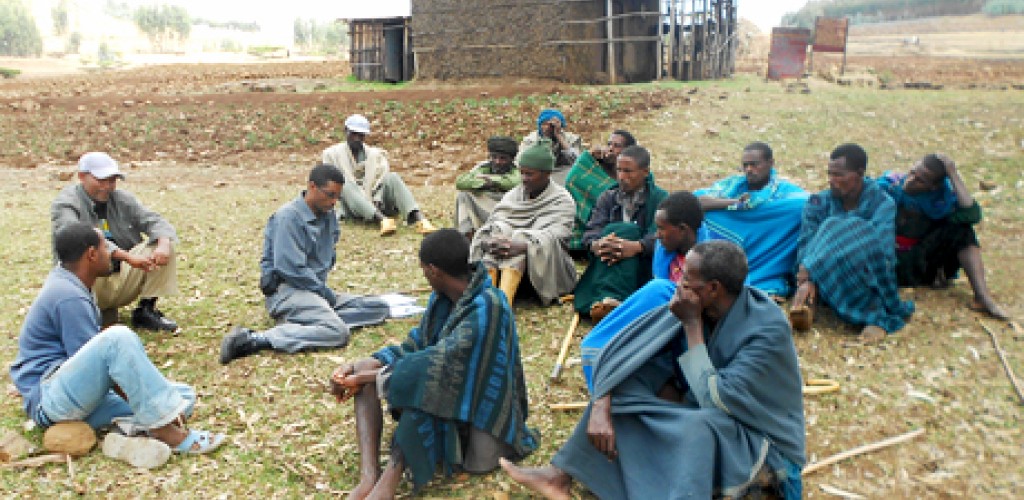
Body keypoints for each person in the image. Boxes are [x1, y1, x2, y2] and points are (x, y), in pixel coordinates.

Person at [501, 241, 806, 499]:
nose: (680, 286)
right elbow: (626, 355)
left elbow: (718, 400)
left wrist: (691, 326)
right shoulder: (695, 302)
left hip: (759, 438)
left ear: (713, 289)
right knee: (626, 389)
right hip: (700, 407)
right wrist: (601, 403)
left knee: (699, 427)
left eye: (687, 280)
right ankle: (559, 475)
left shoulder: (766, 330)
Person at [330, 229, 539, 499]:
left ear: (434, 270)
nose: (424, 276)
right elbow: (416, 346)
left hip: (481, 419)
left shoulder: (490, 305)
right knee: (365, 366)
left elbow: (442, 363)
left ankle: (387, 486)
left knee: (426, 387)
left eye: (424, 270)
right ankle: (368, 475)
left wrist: (369, 378)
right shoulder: (442, 300)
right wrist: (359, 368)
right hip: (450, 395)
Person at [10, 222, 226, 464]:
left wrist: (148, 398)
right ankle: (167, 434)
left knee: (182, 397)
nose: (111, 254)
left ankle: (127, 429)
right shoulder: (68, 296)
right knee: (118, 339)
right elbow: (104, 367)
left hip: (73, 393)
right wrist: (152, 407)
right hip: (51, 398)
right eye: (105, 248)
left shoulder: (72, 280)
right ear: (91, 255)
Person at [219, 163, 389, 365]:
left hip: (315, 290)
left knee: (379, 307)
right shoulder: (288, 218)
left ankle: (307, 322)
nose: (334, 202)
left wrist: (322, 293)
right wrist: (323, 292)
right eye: (330, 195)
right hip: (289, 290)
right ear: (312, 187)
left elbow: (327, 257)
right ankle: (255, 340)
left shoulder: (328, 216)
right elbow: (291, 269)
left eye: (337, 197)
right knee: (338, 333)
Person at [580, 191, 704, 390]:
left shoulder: (712, 258)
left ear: (682, 230)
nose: (657, 234)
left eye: (662, 229)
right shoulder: (665, 253)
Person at [792, 143, 914, 343]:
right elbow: (806, 242)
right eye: (829, 174)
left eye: (839, 175)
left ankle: (875, 317)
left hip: (864, 271)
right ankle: (808, 297)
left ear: (859, 173)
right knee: (815, 254)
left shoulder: (882, 203)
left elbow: (883, 251)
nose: (832, 181)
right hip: (819, 272)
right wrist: (808, 272)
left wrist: (843, 243)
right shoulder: (818, 202)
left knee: (842, 228)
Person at [51, 152, 178, 331]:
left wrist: (164, 244)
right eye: (101, 180)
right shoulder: (66, 203)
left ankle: (146, 310)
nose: (107, 186)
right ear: (82, 176)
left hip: (121, 274)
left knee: (161, 242)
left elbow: (154, 220)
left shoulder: (122, 199)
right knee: (86, 255)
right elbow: (80, 236)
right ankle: (90, 311)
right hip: (88, 282)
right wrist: (126, 257)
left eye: (112, 180)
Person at [877, 153, 1008, 320]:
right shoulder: (890, 185)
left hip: (921, 261)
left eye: (921, 180)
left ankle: (982, 296)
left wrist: (953, 174)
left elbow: (971, 213)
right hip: (889, 262)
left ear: (933, 187)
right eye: (912, 172)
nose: (911, 180)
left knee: (962, 231)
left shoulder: (940, 202)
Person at [469, 141, 577, 306]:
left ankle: (504, 306)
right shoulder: (514, 194)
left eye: (530, 174)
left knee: (520, 244)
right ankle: (486, 302)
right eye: (522, 173)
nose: (524, 179)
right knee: (499, 233)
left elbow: (558, 236)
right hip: (502, 261)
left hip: (546, 271)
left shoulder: (562, 200)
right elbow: (495, 221)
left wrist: (522, 245)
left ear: (547, 174)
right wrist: (490, 241)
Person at [696, 142, 808, 297]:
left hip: (763, 253)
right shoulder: (732, 186)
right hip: (727, 243)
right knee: (705, 215)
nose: (749, 170)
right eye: (745, 165)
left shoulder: (784, 192)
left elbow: (807, 203)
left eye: (754, 165)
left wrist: (758, 209)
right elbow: (697, 200)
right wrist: (735, 204)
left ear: (770, 163)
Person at [573, 145, 668, 321]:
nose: (622, 177)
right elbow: (591, 232)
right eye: (619, 170)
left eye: (628, 171)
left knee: (628, 231)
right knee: (614, 232)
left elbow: (663, 235)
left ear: (645, 172)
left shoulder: (660, 199)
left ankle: (612, 300)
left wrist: (637, 246)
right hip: (606, 260)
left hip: (641, 266)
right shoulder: (608, 196)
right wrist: (599, 245)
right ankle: (608, 301)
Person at [321, 114, 437, 236]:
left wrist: (377, 197)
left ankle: (419, 219)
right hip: (352, 206)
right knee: (344, 185)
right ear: (346, 131)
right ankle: (383, 220)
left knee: (393, 177)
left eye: (361, 135)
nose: (357, 138)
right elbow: (332, 187)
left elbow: (380, 179)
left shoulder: (374, 155)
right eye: (353, 133)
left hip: (377, 201)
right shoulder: (331, 154)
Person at [564, 130, 636, 253]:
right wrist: (587, 156)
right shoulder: (593, 167)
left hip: (623, 231)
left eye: (617, 146)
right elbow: (572, 181)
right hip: (589, 231)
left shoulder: (636, 174)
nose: (610, 148)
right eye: (609, 144)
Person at [454, 136, 521, 239]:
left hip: (510, 212)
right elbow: (460, 182)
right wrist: (484, 184)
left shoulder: (517, 169)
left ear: (511, 159)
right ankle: (467, 237)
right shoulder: (484, 167)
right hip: (487, 207)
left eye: (503, 158)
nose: (497, 161)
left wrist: (493, 181)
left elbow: (516, 182)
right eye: (494, 157)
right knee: (464, 196)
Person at [517, 109, 582, 186]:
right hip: (538, 172)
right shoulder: (531, 140)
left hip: (562, 173)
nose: (547, 128)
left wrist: (559, 136)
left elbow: (577, 161)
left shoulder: (571, 138)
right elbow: (521, 162)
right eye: (544, 124)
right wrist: (545, 140)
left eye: (551, 125)